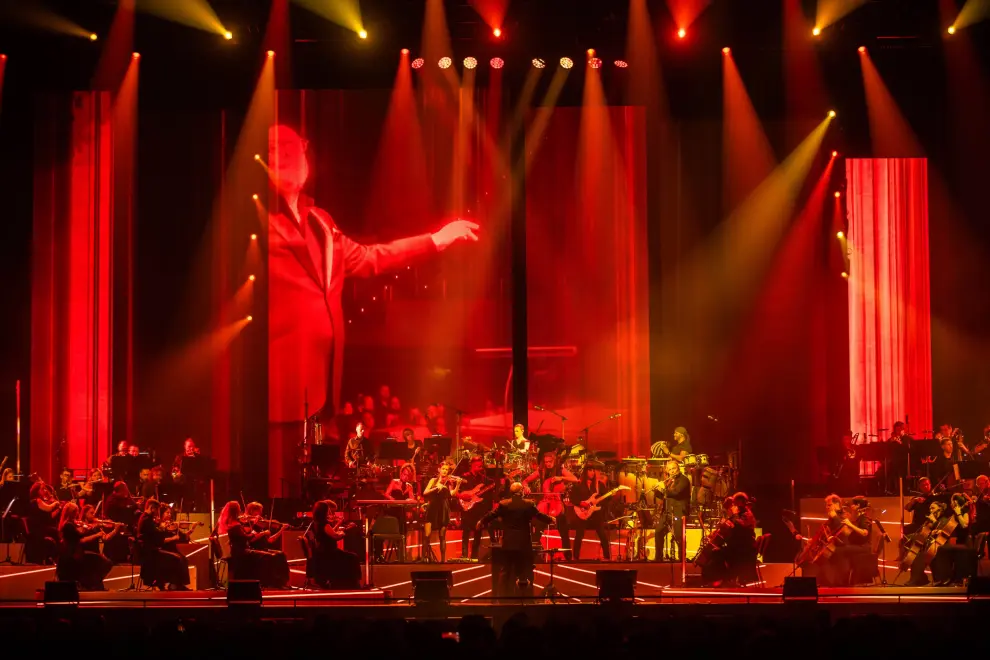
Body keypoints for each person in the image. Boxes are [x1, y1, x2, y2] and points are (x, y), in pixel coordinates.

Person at [265, 123, 479, 497]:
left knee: (316, 487)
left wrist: (435, 241)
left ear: (306, 154)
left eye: (291, 147)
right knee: (279, 487)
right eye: (274, 148)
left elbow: (369, 258)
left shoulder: (321, 221)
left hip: (322, 386)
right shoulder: (255, 220)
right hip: (277, 387)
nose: (284, 155)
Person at [478, 482, 553, 597]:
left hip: (509, 543)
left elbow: (492, 515)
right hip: (523, 544)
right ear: (521, 492)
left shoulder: (504, 504)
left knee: (505, 570)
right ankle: (526, 597)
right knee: (525, 570)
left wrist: (481, 521)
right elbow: (538, 515)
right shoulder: (528, 504)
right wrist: (550, 519)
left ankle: (502, 597)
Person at [218, 501, 289, 589]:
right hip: (242, 551)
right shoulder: (236, 525)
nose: (241, 512)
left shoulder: (235, 523)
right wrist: (255, 533)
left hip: (243, 550)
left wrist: (254, 528)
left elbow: (245, 536)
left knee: (280, 555)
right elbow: (247, 537)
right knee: (269, 556)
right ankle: (268, 583)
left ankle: (280, 582)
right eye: (239, 509)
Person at [523, 451, 577, 557]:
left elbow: (575, 479)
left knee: (563, 529)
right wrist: (525, 486)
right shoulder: (541, 471)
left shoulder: (560, 470)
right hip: (545, 502)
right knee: (537, 525)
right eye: (546, 462)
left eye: (550, 461)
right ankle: (534, 554)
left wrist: (561, 478)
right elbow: (525, 481)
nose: (548, 464)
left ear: (554, 461)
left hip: (557, 502)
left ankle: (568, 556)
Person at [55, 502, 115, 591]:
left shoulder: (71, 524)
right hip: (72, 554)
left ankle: (94, 585)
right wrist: (93, 532)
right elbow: (79, 539)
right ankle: (92, 585)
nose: (78, 514)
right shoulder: (68, 525)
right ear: (72, 512)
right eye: (76, 511)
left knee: (99, 563)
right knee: (102, 563)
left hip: (75, 552)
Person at [136, 499, 190, 590]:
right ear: (151, 508)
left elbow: (155, 536)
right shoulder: (146, 520)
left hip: (151, 550)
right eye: (156, 510)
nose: (157, 513)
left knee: (177, 557)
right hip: (150, 552)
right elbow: (158, 539)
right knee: (176, 559)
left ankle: (168, 583)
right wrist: (162, 528)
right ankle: (172, 584)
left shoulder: (146, 518)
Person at [306, 500, 361, 588]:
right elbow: (335, 536)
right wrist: (343, 533)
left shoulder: (315, 523)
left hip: (322, 552)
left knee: (349, 556)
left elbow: (329, 532)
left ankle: (347, 582)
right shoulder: (324, 523)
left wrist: (338, 524)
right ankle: (354, 583)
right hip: (330, 553)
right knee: (353, 557)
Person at [928, 493, 977, 586]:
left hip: (966, 543)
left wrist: (958, 513)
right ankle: (943, 578)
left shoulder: (964, 511)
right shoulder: (955, 513)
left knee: (941, 549)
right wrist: (940, 531)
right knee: (938, 549)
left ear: (957, 502)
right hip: (958, 542)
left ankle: (947, 577)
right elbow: (951, 529)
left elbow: (964, 525)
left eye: (953, 502)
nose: (951, 504)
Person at [568, 463, 612, 561]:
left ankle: (607, 557)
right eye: (590, 470)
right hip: (582, 513)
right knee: (579, 535)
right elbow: (572, 498)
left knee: (602, 534)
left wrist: (607, 499)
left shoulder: (599, 485)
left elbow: (606, 498)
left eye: (593, 470)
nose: (592, 472)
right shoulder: (578, 485)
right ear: (585, 471)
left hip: (596, 514)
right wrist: (581, 503)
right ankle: (575, 557)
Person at [457, 456, 495, 561]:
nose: (480, 467)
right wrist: (463, 496)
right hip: (466, 508)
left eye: (481, 465)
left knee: (478, 533)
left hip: (478, 509)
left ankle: (474, 556)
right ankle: (464, 555)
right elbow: (458, 492)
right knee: (466, 532)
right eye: (478, 465)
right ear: (472, 465)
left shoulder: (483, 478)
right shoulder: (464, 477)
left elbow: (491, 485)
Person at [422, 462, 461, 562]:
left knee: (442, 536)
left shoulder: (448, 482)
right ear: (439, 470)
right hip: (432, 508)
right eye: (443, 469)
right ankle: (423, 558)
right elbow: (425, 492)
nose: (444, 471)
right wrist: (436, 488)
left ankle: (443, 560)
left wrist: (458, 484)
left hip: (443, 508)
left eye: (446, 470)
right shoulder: (433, 480)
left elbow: (452, 494)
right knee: (427, 535)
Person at [654, 460, 691, 561]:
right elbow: (664, 496)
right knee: (658, 532)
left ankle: (682, 559)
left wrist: (664, 489)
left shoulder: (684, 480)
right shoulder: (669, 481)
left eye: (674, 468)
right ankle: (658, 558)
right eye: (670, 470)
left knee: (679, 536)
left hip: (679, 511)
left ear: (678, 468)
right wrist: (656, 490)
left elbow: (676, 493)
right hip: (667, 512)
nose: (672, 471)